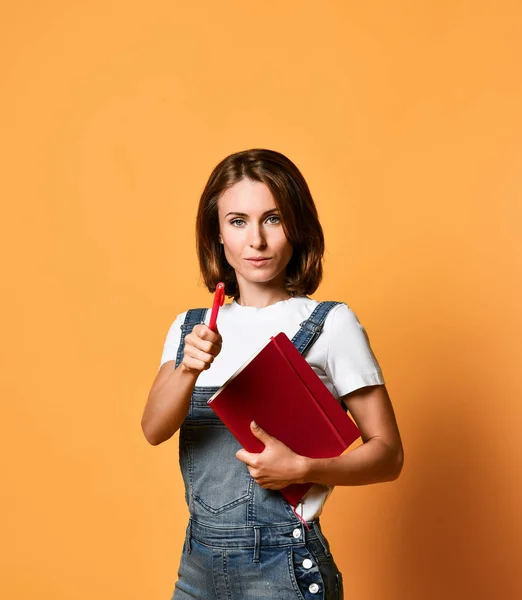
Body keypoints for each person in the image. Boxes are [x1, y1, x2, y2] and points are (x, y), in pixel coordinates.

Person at [141, 148, 404, 600]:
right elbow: (153, 429)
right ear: (218, 234)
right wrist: (188, 367)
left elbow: (389, 455)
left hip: (285, 571)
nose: (256, 241)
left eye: (274, 219)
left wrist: (303, 468)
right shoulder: (192, 327)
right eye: (238, 221)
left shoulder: (330, 324)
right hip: (197, 572)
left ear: (297, 227)